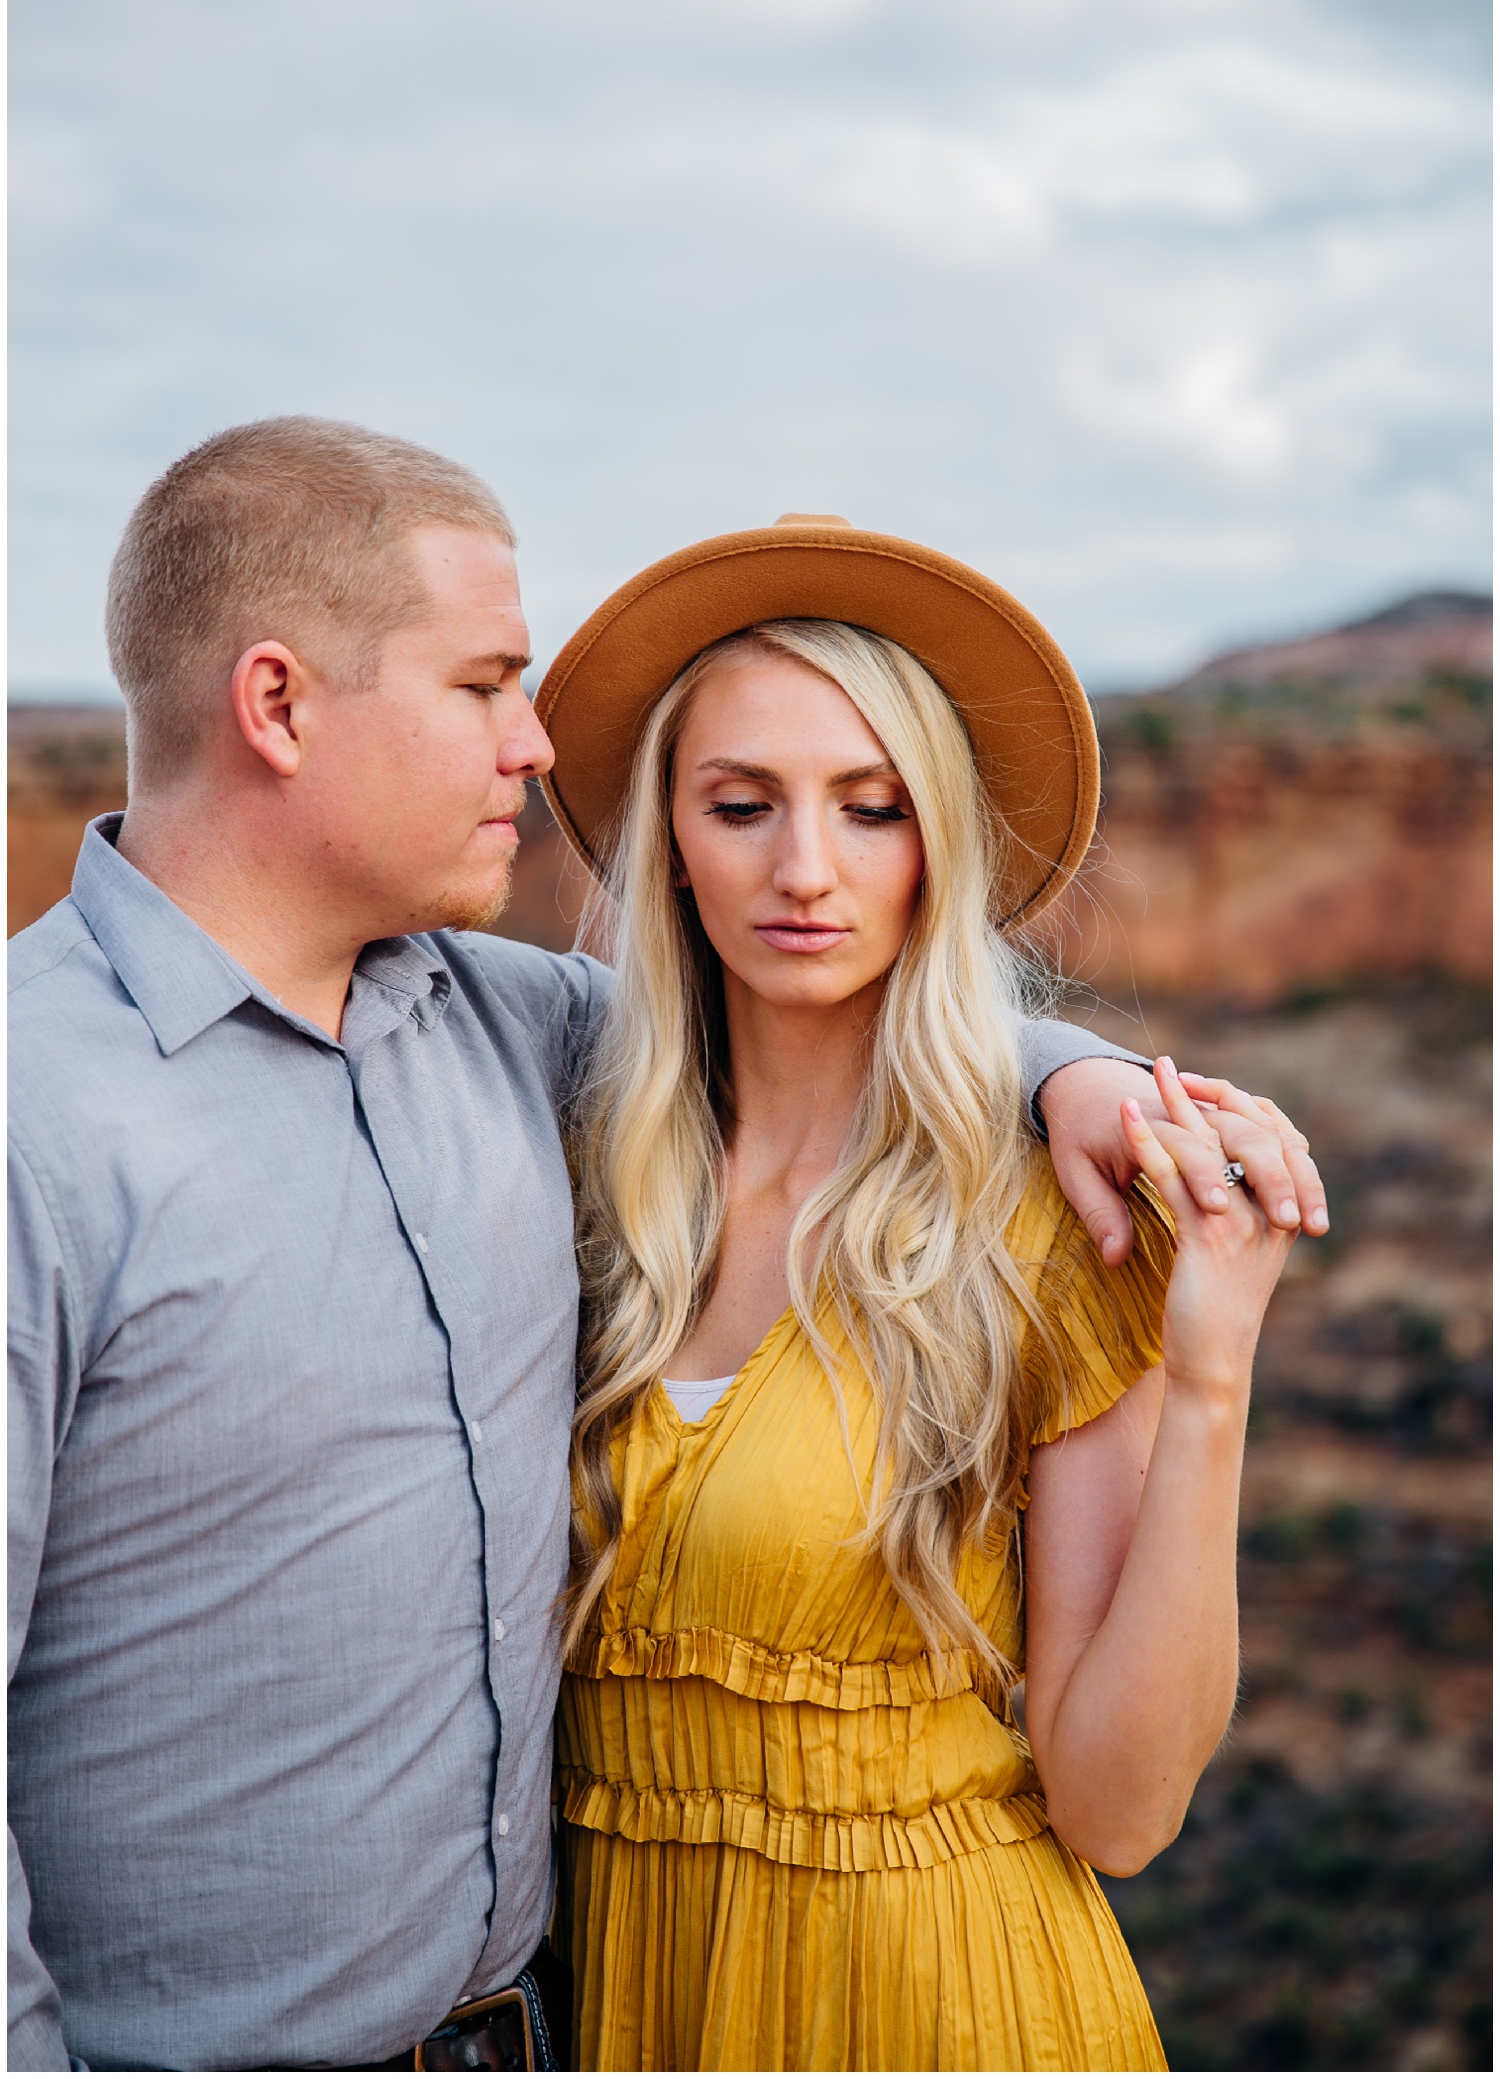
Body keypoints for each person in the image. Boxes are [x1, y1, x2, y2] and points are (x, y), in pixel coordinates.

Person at [6, 429, 1324, 2075]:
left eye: (876, 808)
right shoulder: (96, 1112)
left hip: (828, 2005)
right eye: (486, 685)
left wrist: (1097, 1101)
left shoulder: (509, 1037)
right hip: (569, 2011)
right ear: (276, 706)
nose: (534, 741)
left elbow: (844, 1015)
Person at [540, 518, 1317, 2071]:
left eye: (872, 809)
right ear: (672, 845)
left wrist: (1212, 1379)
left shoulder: (1042, 1225)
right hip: (630, 1998)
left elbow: (1120, 1808)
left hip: (934, 1995)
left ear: (938, 846)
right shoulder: (576, 1189)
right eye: (742, 804)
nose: (805, 870)